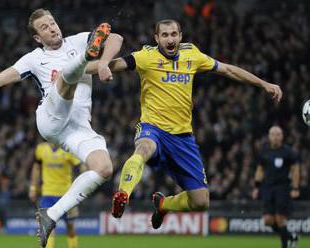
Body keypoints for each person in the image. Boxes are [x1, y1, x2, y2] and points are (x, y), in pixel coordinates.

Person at [87, 19, 282, 229]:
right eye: (165, 35)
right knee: (143, 148)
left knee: (200, 202)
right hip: (153, 128)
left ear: (180, 36)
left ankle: (164, 204)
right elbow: (114, 65)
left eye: (173, 34)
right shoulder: (146, 57)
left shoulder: (193, 55)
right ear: (156, 38)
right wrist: (84, 69)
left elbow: (227, 70)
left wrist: (263, 83)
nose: (170, 39)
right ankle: (123, 194)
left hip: (183, 138)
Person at [0, 8, 123, 247]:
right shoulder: (34, 58)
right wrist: (94, 64)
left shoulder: (77, 39)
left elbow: (116, 38)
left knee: (104, 168)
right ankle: (83, 60)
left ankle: (52, 215)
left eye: (52, 23)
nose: (52, 28)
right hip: (51, 118)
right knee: (66, 77)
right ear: (37, 38)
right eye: (44, 27)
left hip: (77, 128)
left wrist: (105, 63)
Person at [252, 126, 300, 248]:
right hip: (267, 188)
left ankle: (284, 245)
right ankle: (291, 236)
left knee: (280, 219)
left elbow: (295, 170)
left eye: (278, 134)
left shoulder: (288, 152)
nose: (275, 137)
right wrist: (257, 186)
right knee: (268, 220)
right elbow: (260, 169)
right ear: (269, 136)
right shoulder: (264, 152)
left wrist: (295, 188)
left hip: (282, 188)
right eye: (273, 134)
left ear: (282, 136)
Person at [29, 142, 83, 248]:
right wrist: (33, 188)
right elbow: (36, 168)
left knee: (70, 226)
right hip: (47, 194)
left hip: (67, 195)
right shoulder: (41, 149)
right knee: (47, 227)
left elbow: (80, 168)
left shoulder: (68, 150)